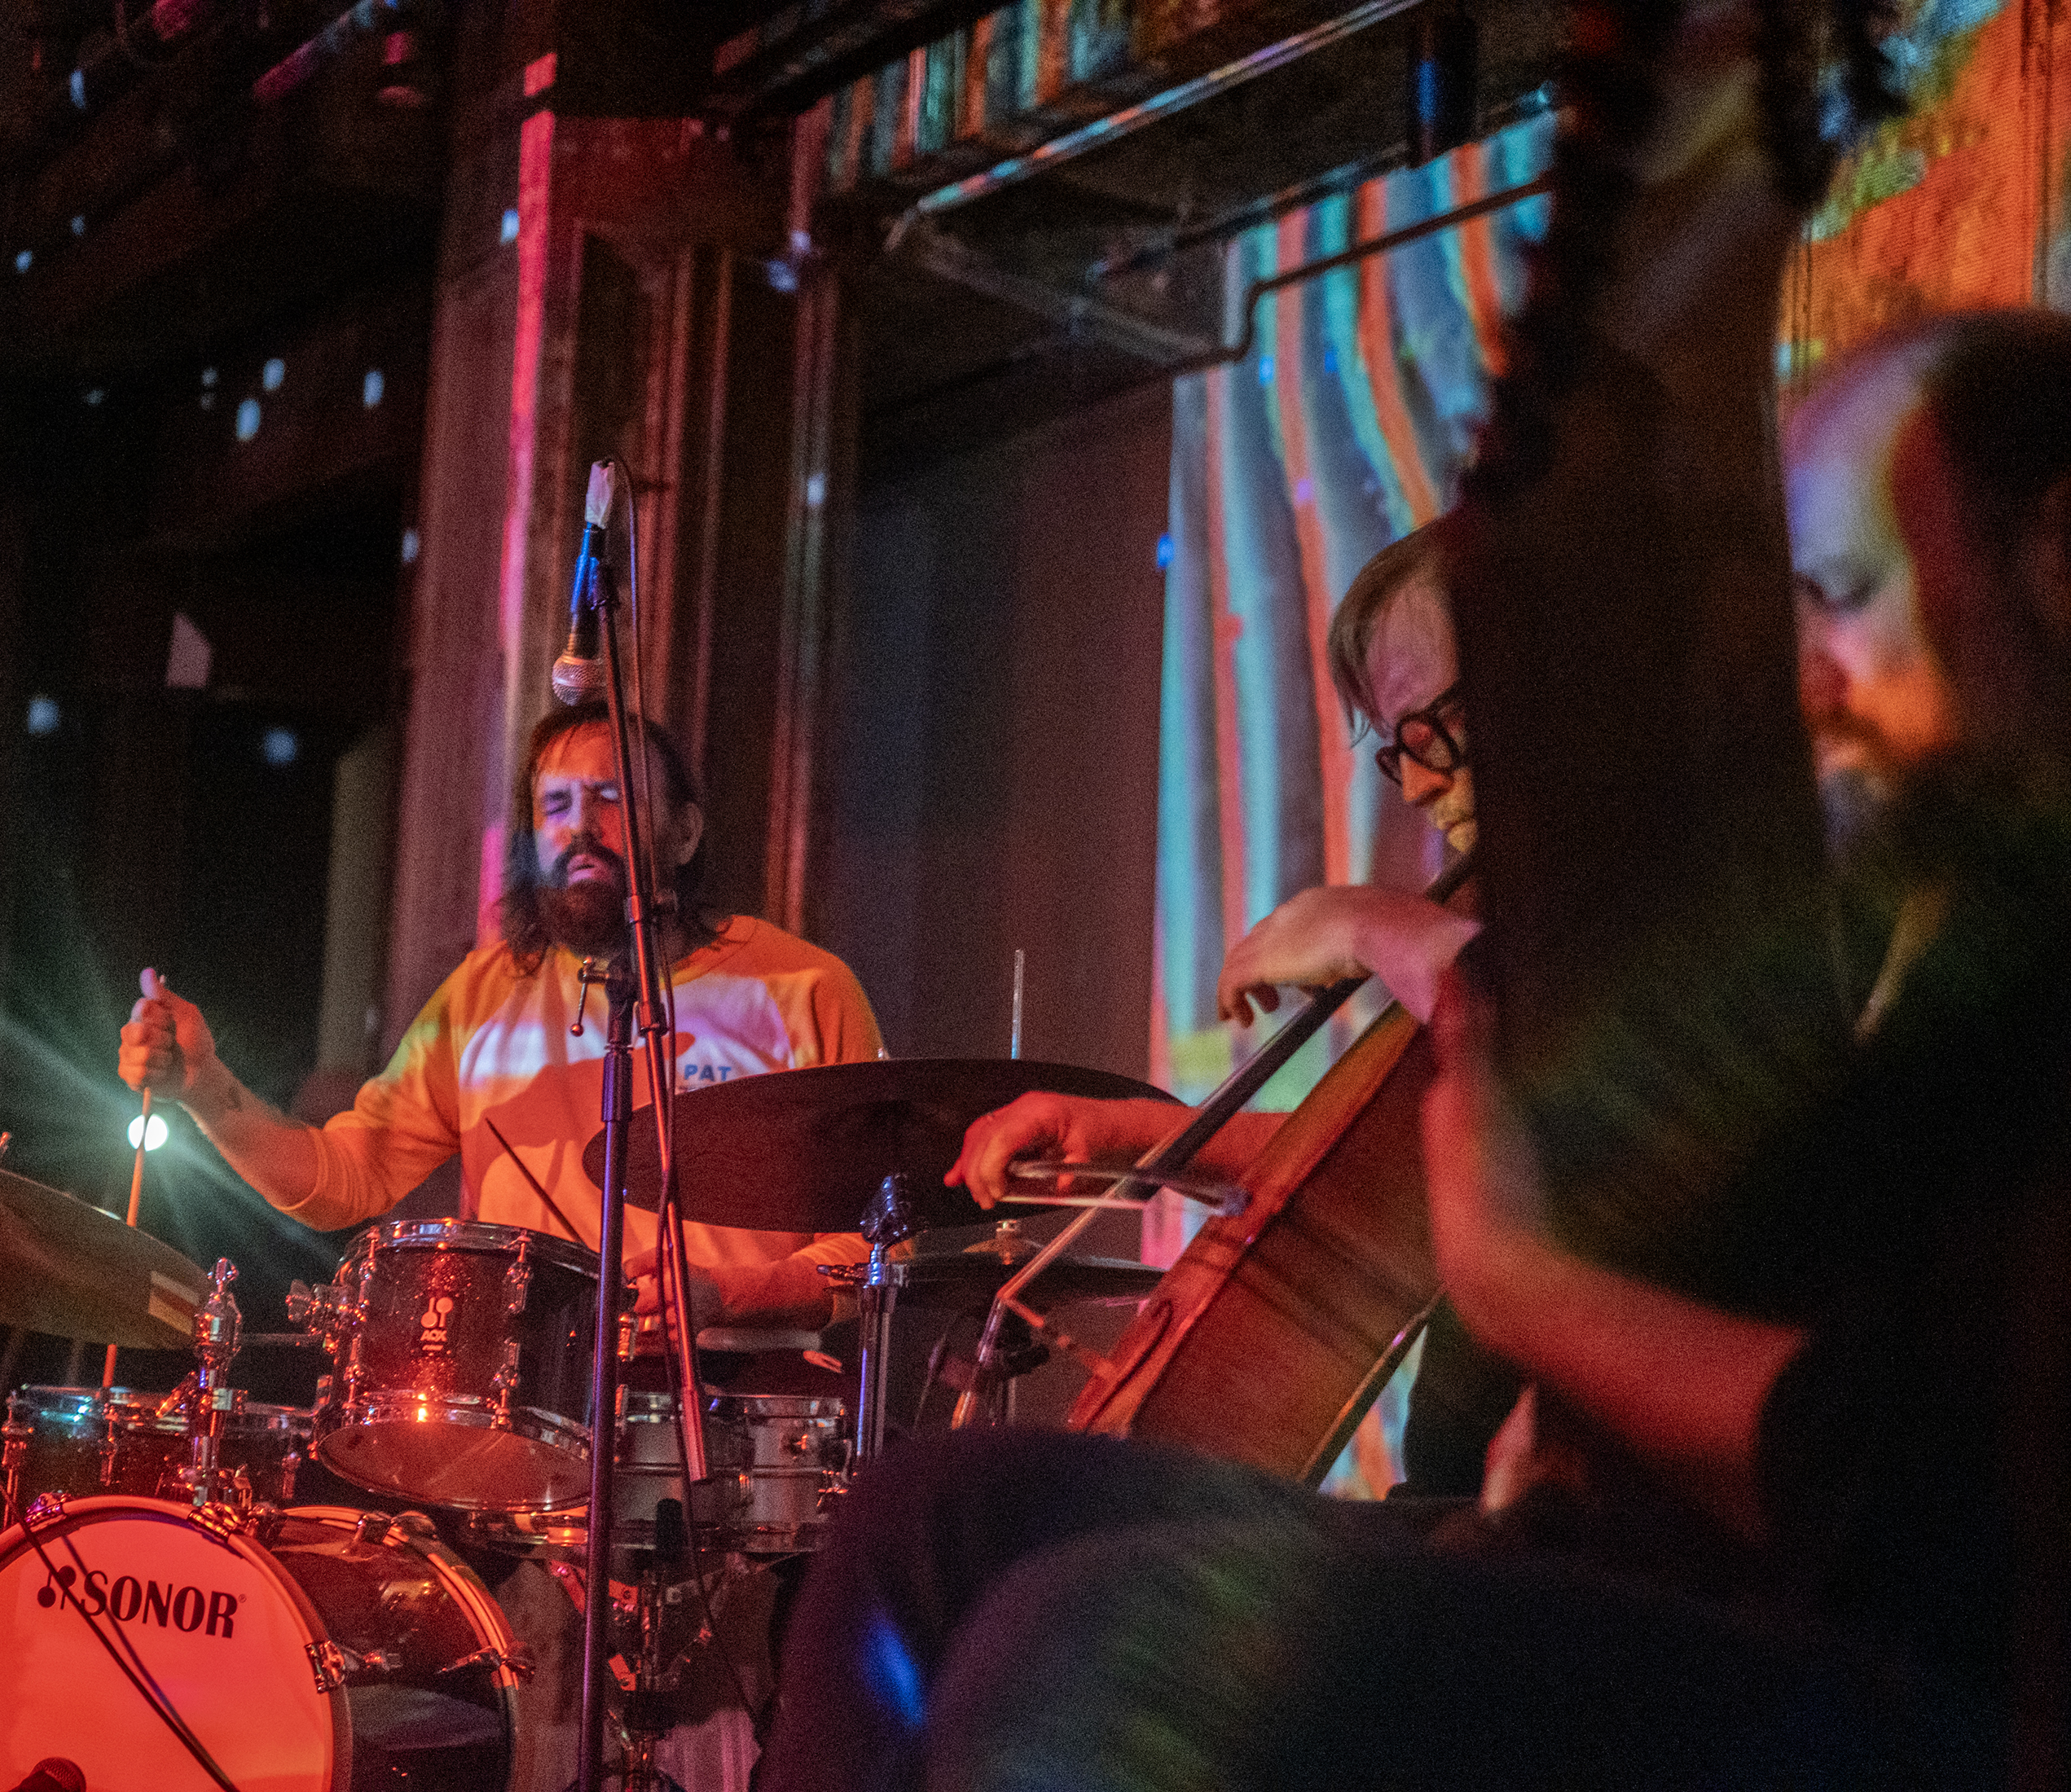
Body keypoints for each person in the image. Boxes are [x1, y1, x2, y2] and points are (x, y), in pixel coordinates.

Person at [751, 310, 2071, 1790]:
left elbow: (1950, 1501)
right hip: (1600, 1538)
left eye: (1842, 594)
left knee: (1087, 1636)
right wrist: (1155, 1139)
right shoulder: (1891, 907)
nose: (1811, 686)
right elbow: (1478, 1163)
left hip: (1914, 1669)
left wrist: (1538, 1300)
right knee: (927, 1521)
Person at [954, 519, 1512, 1494]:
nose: (1420, 784)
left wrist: (1369, 922)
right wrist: (1133, 1135)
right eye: (1398, 750)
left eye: (1436, 728)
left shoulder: (1661, 889)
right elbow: (1375, 1162)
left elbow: (1536, 1050)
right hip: (1458, 1514)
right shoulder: (1493, 923)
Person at [118, 700, 882, 1330]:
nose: (580, 826)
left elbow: (877, 1238)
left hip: (747, 1412)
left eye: (612, 798)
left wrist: (732, 1294)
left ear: (684, 833)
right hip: (534, 1415)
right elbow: (347, 1179)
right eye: (556, 805)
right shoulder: (484, 996)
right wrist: (207, 1090)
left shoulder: (803, 988)